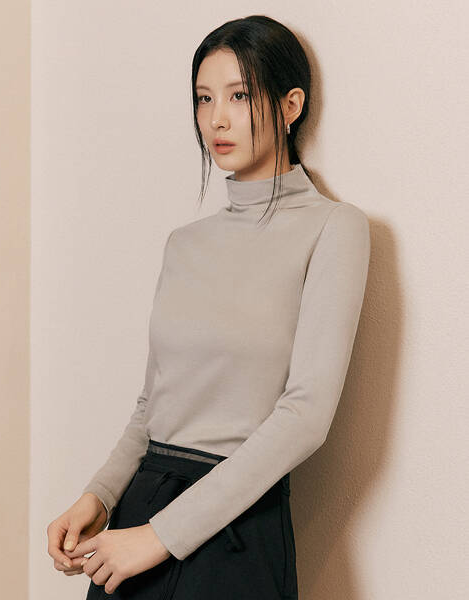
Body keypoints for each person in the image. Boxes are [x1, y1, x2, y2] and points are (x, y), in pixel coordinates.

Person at [47, 14, 371, 600]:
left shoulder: (333, 228)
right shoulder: (184, 244)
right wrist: (99, 495)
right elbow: (153, 403)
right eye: (204, 98)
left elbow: (305, 416)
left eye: (239, 95)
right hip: (138, 514)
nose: (216, 118)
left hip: (236, 528)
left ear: (291, 105)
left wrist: (161, 537)